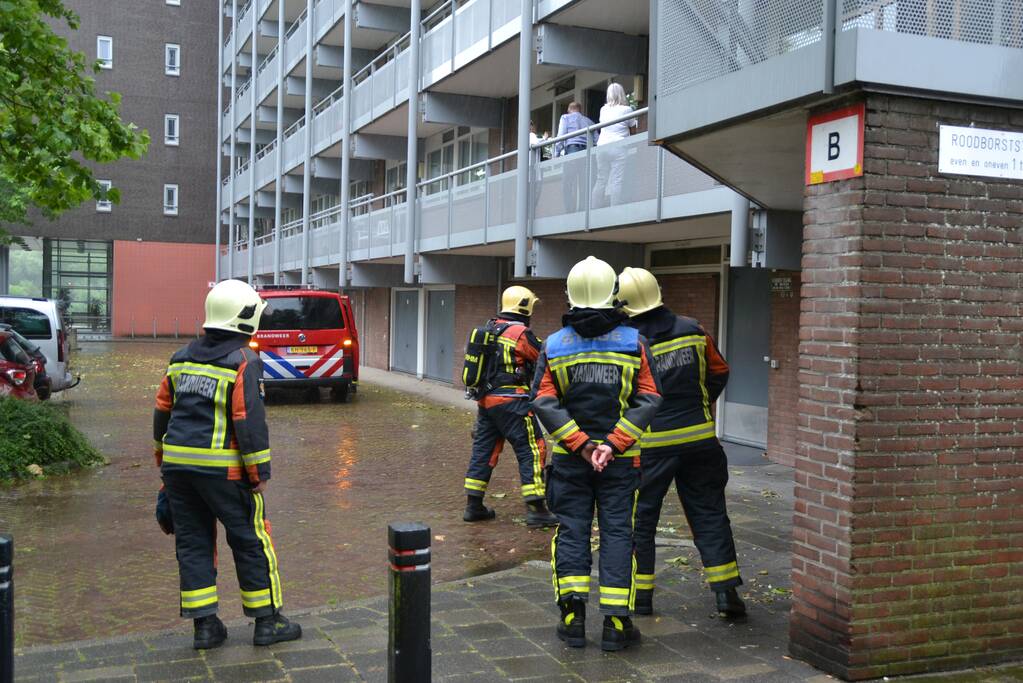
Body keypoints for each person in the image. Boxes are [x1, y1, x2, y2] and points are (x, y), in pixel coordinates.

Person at [153, 279, 302, 650]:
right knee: (251, 541)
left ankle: (205, 628)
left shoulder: (180, 358)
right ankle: (267, 622)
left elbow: (162, 415)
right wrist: (259, 474)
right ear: (244, 317)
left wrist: (165, 467)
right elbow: (248, 420)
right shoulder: (243, 362)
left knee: (193, 543)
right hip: (226, 472)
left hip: (178, 470)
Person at [532, 256, 662, 651]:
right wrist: (611, 444)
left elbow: (542, 400)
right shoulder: (634, 343)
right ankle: (616, 625)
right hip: (621, 463)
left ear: (571, 296)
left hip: (573, 462)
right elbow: (650, 397)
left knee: (571, 530)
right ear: (613, 295)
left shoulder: (553, 346)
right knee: (619, 534)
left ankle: (572, 619)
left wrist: (582, 444)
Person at [617, 267, 746, 618]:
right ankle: (727, 595)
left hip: (649, 447)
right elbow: (719, 371)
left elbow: (622, 395)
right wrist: (701, 406)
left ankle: (641, 600)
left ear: (622, 302)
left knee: (641, 521)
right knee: (710, 514)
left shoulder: (625, 342)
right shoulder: (693, 329)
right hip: (701, 442)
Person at [463, 285, 558, 528]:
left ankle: (474, 506)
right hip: (513, 403)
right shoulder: (519, 333)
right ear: (524, 306)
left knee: (484, 451)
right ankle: (537, 509)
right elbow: (542, 357)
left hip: (486, 402)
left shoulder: (490, 328)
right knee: (532, 449)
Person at [590, 83, 638, 209]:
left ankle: (594, 209)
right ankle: (614, 210)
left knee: (601, 179)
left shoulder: (603, 110)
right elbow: (633, 130)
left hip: (602, 147)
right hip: (618, 146)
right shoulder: (627, 110)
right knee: (617, 180)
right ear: (621, 94)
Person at [555, 102, 596, 212]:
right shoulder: (588, 121)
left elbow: (561, 135)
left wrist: (556, 154)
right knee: (584, 183)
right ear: (580, 110)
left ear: (569, 109)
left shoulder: (565, 118)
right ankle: (583, 210)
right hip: (586, 152)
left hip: (572, 150)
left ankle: (570, 211)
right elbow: (597, 139)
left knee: (567, 183)